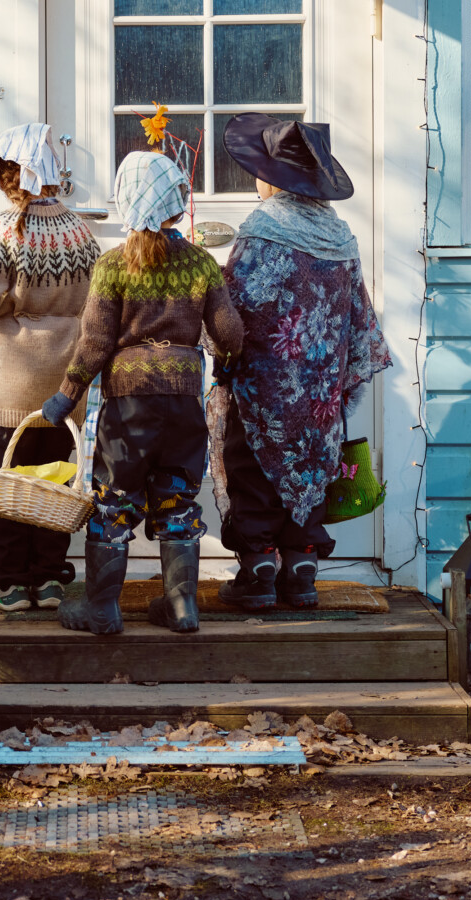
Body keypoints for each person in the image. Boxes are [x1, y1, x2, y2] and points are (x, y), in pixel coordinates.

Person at [39, 151, 245, 636]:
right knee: (177, 499)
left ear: (125, 203)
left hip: (128, 406)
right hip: (183, 402)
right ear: (176, 204)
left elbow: (94, 343)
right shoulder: (200, 264)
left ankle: (103, 609)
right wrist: (224, 365)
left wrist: (66, 396)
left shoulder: (113, 266)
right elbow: (230, 333)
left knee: (115, 500)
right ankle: (182, 609)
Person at [209, 114, 392, 611]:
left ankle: (259, 571)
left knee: (252, 468)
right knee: (311, 468)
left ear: (274, 179)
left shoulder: (261, 229)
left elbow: (232, 309)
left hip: (264, 388)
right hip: (318, 395)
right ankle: (303, 565)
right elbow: (359, 320)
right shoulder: (340, 236)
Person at [0, 123, 101, 613]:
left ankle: (9, 583)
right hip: (65, 379)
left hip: (12, 379)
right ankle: (50, 579)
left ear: (7, 172)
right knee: (56, 478)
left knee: (5, 479)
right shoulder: (80, 230)